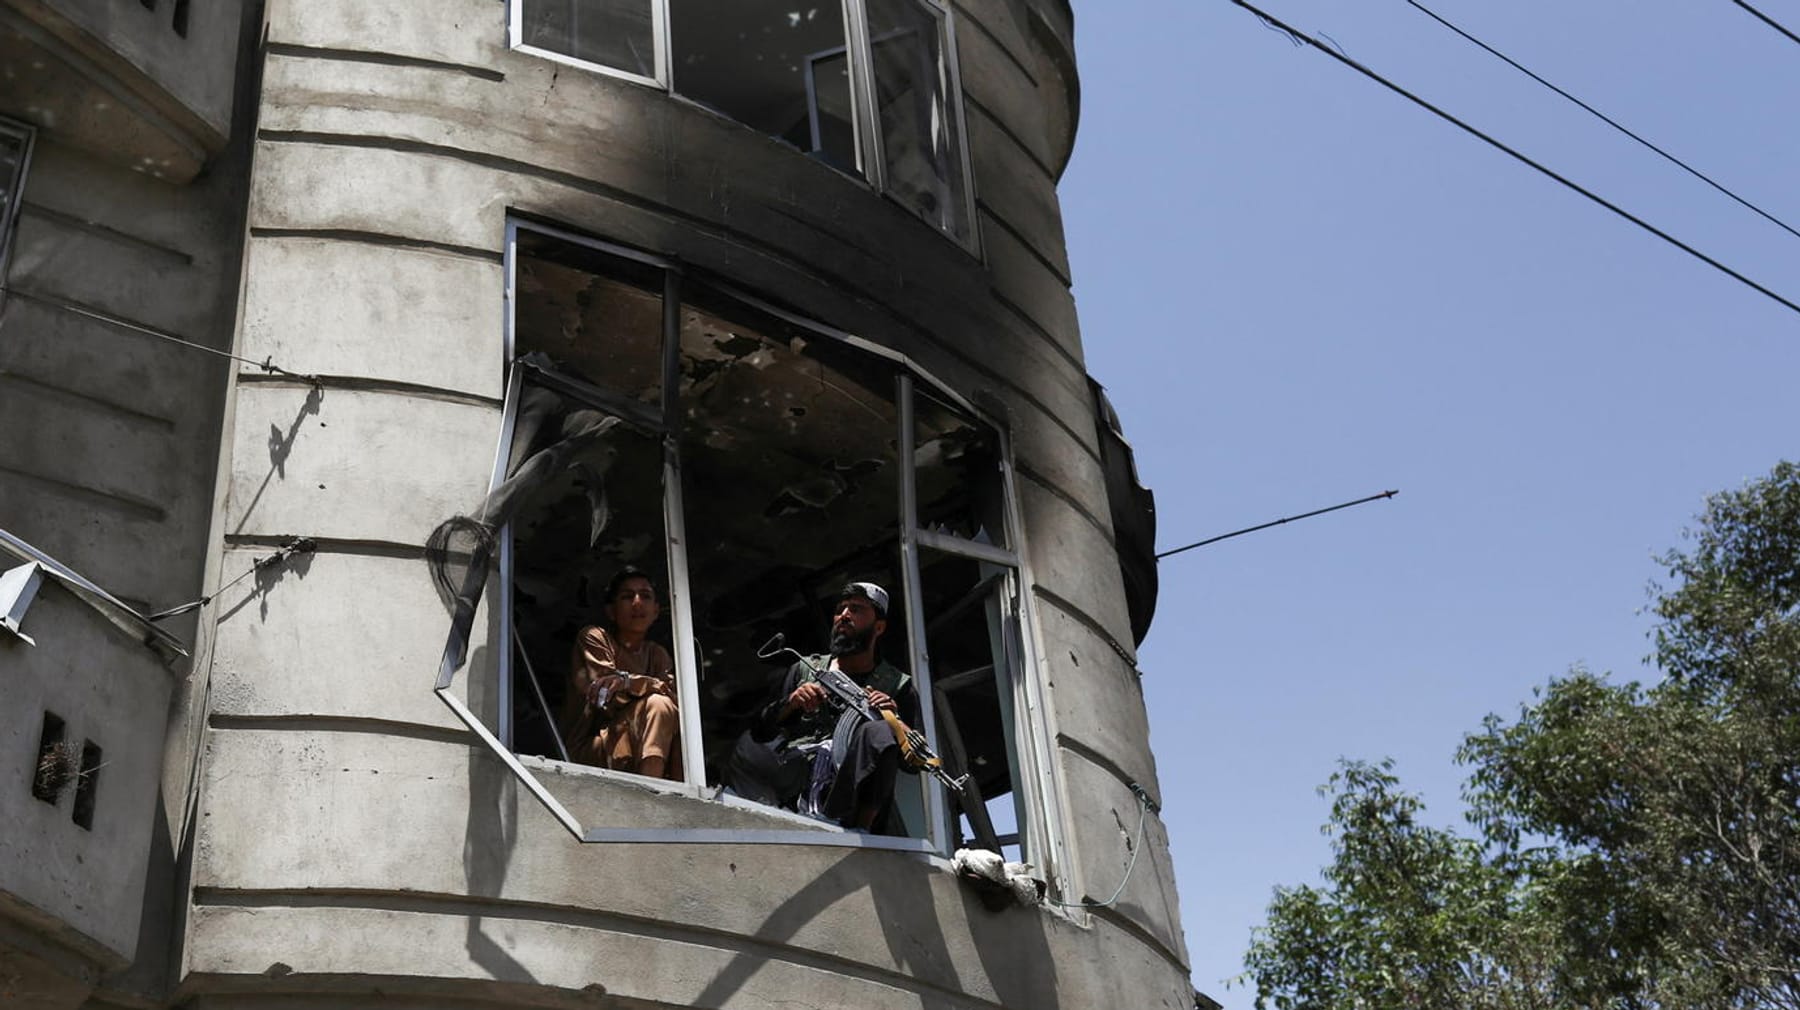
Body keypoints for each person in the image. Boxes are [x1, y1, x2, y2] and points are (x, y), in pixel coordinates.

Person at [730, 582, 916, 832]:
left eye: (857, 609)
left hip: (848, 793)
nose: (844, 616)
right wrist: (792, 703)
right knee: (747, 747)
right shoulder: (806, 669)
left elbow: (912, 764)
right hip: (798, 782)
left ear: (879, 627)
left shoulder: (897, 685)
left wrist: (894, 720)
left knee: (879, 732)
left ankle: (861, 831)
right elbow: (760, 732)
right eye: (841, 609)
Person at [560, 567, 682, 781]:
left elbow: (674, 699)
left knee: (674, 714)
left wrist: (627, 682)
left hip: (634, 745)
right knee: (659, 705)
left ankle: (678, 792)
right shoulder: (594, 637)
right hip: (593, 749)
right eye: (627, 596)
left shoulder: (656, 653)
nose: (637, 603)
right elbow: (606, 697)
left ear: (655, 611)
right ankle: (651, 792)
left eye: (645, 596)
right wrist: (643, 685)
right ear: (611, 611)